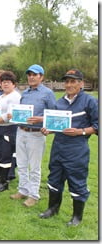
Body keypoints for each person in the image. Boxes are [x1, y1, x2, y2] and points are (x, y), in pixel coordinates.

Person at [39, 69, 98, 226]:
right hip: (58, 147)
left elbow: (97, 125)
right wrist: (48, 129)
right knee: (54, 178)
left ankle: (77, 217)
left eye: (73, 81)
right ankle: (52, 209)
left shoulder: (90, 101)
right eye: (67, 81)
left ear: (81, 83)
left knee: (77, 182)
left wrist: (81, 131)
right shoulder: (60, 102)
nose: (69, 84)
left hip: (76, 149)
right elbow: (55, 124)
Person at [9, 64, 56, 207]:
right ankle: (23, 189)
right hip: (21, 131)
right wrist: (14, 115)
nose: (31, 77)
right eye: (29, 74)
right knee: (21, 164)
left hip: (35, 134)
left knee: (34, 166)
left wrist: (41, 119)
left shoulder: (48, 93)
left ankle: (33, 195)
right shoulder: (26, 93)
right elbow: (22, 112)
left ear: (41, 77)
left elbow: (54, 115)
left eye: (35, 75)